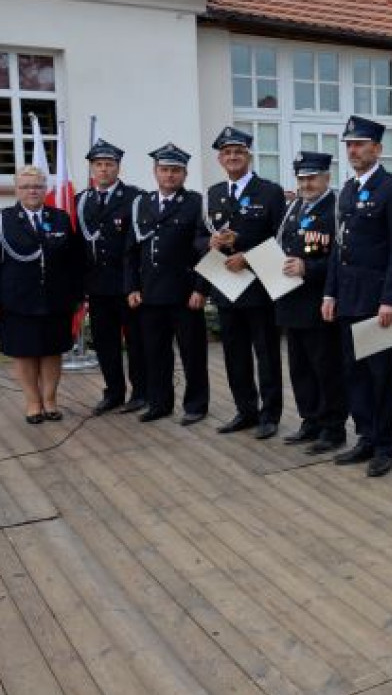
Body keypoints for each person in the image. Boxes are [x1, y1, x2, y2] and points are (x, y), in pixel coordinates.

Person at [323, 115, 392, 477]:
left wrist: (391, 299)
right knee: (354, 374)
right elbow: (338, 248)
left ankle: (386, 445)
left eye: (360, 144)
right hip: (348, 298)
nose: (353, 150)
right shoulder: (346, 190)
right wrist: (329, 292)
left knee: (381, 377)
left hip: (378, 302)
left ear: (377, 148)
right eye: (349, 145)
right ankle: (365, 437)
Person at [197, 126, 287, 440]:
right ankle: (245, 411)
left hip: (259, 287)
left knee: (266, 354)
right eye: (227, 153)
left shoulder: (269, 192)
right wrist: (208, 242)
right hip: (225, 286)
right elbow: (197, 239)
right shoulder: (212, 195)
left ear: (248, 155)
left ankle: (270, 414)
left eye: (238, 152)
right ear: (220, 159)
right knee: (234, 354)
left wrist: (247, 253)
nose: (232, 157)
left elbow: (281, 238)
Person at [125, 143, 209, 425]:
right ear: (155, 172)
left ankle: (196, 405)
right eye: (164, 170)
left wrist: (200, 288)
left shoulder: (196, 203)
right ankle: (160, 403)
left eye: (176, 171)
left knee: (192, 352)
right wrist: (132, 287)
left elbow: (205, 250)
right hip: (150, 292)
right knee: (155, 352)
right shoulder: (142, 204)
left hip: (185, 291)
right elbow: (131, 251)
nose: (169, 176)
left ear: (184, 174)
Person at [276, 152, 349, 453]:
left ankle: (333, 428)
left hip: (320, 302)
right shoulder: (293, 206)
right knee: (300, 368)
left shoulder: (336, 208)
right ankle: (311, 420)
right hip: (292, 301)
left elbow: (340, 257)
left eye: (312, 177)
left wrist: (309, 268)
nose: (306, 183)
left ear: (326, 178)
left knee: (326, 367)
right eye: (302, 178)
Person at [0, 166, 84, 423]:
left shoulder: (59, 218)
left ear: (45, 189)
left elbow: (73, 259)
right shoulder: (4, 220)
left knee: (51, 351)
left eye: (37, 186)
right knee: (24, 352)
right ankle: (33, 403)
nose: (32, 191)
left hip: (55, 298)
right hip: (17, 300)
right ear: (17, 190)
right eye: (26, 187)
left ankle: (50, 401)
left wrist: (77, 294)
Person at [77, 139, 147, 415]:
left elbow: (138, 244)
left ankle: (141, 392)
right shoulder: (82, 200)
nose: (104, 170)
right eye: (98, 165)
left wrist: (137, 283)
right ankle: (113, 392)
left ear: (118, 167)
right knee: (105, 343)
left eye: (109, 165)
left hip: (126, 284)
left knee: (135, 341)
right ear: (92, 169)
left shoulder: (135, 198)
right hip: (96, 285)